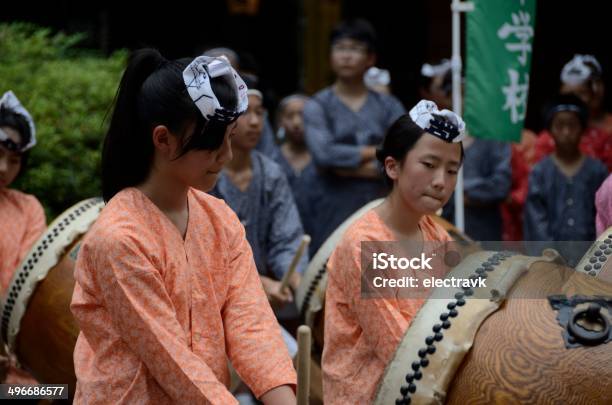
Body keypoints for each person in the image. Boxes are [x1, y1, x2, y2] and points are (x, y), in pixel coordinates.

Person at [70, 49, 296, 404]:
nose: (227, 155)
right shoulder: (119, 237)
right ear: (163, 139)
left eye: (229, 137)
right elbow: (171, 359)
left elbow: (250, 322)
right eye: (211, 143)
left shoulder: (219, 218)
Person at [322, 100, 463, 404]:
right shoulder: (364, 243)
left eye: (452, 170)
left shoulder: (436, 235)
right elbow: (401, 349)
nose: (441, 182)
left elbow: (453, 317)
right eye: (429, 165)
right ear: (392, 166)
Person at [303, 18, 405, 254]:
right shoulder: (317, 105)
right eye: (340, 48)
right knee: (330, 274)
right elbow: (324, 155)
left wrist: (343, 167)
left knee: (379, 279)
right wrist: (378, 151)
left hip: (380, 205)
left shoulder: (389, 106)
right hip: (330, 209)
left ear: (370, 59)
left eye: (355, 49)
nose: (346, 56)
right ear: (330, 56)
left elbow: (403, 154)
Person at [210, 86, 308, 309]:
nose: (254, 122)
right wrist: (258, 283)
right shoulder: (205, 173)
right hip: (214, 297)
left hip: (262, 303)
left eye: (260, 112)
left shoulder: (271, 174)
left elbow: (287, 238)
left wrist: (296, 281)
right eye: (244, 112)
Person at [0, 91, 46, 386]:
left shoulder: (28, 207)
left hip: (16, 367)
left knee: (61, 391)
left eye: (14, 160)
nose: (3, 168)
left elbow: (29, 288)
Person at [524, 94, 609, 242]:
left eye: (572, 125)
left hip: (590, 260)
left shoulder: (597, 170)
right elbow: (535, 222)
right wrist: (549, 257)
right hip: (549, 260)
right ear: (549, 129)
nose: (566, 132)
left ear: (582, 128)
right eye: (559, 125)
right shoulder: (540, 172)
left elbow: (604, 217)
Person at [534, 54, 612, 171]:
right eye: (567, 95)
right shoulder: (546, 140)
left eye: (580, 93)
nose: (572, 101)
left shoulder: (605, 139)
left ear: (596, 92)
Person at [273, 94, 312, 223]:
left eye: (302, 115)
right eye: (290, 116)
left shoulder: (324, 160)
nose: (296, 122)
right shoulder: (271, 160)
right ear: (280, 122)